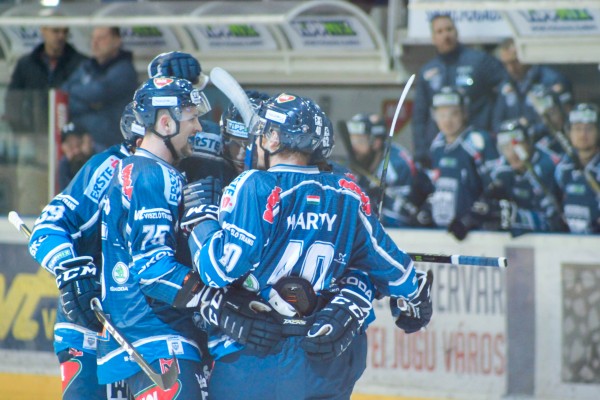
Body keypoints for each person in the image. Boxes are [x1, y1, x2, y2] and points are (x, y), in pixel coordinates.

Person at [185, 93, 431, 399]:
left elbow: (219, 270)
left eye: (263, 133)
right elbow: (392, 268)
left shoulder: (255, 185)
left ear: (274, 139)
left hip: (255, 354)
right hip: (320, 357)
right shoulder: (347, 192)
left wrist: (200, 220)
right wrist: (414, 294)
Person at [98, 77, 212, 398]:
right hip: (157, 339)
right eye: (191, 118)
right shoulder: (151, 175)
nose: (198, 127)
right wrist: (218, 300)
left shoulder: (141, 170)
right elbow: (153, 269)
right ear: (166, 122)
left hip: (142, 338)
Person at [27, 103, 145, 400]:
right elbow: (47, 228)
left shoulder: (177, 171)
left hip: (138, 329)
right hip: (87, 324)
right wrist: (70, 269)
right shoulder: (109, 167)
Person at [411, 14, 506, 166]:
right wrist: (421, 151)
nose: (445, 35)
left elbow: (505, 91)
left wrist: (495, 127)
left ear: (456, 32)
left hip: (477, 147)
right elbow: (419, 115)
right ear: (433, 38)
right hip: (441, 149)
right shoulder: (427, 71)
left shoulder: (479, 61)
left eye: (449, 29)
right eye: (440, 31)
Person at [448, 119, 565, 240]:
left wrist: (513, 216)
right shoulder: (501, 169)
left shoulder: (549, 167)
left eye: (517, 144)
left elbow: (554, 222)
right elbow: (489, 203)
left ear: (529, 142)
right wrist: (469, 219)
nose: (512, 153)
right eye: (505, 147)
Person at [423, 86, 498, 228]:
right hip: (443, 229)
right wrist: (427, 209)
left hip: (475, 232)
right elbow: (435, 185)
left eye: (454, 114)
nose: (447, 121)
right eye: (441, 115)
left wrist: (470, 220)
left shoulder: (478, 142)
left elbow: (494, 188)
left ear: (464, 113)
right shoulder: (437, 145)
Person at [346, 113, 433, 227]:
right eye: (352, 140)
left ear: (376, 143)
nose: (353, 147)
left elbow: (397, 223)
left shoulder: (397, 166)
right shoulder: (359, 162)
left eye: (360, 141)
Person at [61, 27, 138, 151]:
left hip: (113, 144)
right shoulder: (87, 66)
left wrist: (77, 96)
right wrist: (89, 104)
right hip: (84, 143)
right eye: (93, 39)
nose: (95, 43)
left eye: (101, 38)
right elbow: (64, 91)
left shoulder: (125, 70)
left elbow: (99, 92)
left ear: (117, 41)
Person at [4, 23, 86, 135]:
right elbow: (13, 100)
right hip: (34, 134)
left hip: (71, 139)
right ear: (43, 30)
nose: (61, 36)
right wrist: (21, 132)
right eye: (56, 31)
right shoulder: (26, 64)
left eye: (65, 31)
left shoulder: (81, 64)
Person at [492, 38, 572, 140]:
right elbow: (497, 123)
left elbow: (558, 121)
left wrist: (526, 130)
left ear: (526, 55)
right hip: (515, 144)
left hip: (548, 143)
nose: (511, 68)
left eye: (515, 62)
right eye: (506, 64)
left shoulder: (550, 80)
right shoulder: (506, 84)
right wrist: (516, 128)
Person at [555, 103, 600, 233]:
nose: (583, 134)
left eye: (589, 128)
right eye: (577, 128)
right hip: (570, 243)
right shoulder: (562, 169)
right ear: (569, 132)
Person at [58, 121, 95, 190]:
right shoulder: (64, 165)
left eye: (79, 143)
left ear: (89, 140)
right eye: (70, 146)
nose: (76, 151)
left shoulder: (104, 157)